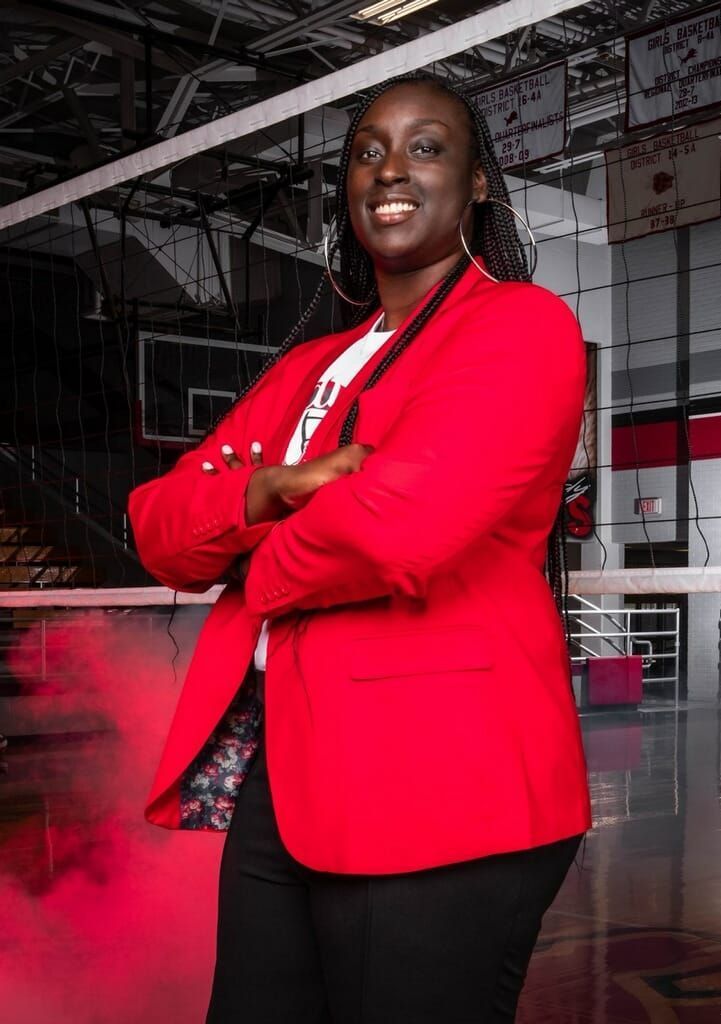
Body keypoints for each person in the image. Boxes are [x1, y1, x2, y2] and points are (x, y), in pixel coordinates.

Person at [128, 71, 591, 1024]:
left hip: (442, 784)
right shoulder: (307, 368)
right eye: (368, 150)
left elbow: (399, 529)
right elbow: (158, 526)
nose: (391, 168)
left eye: (427, 146)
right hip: (287, 777)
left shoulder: (520, 326)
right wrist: (268, 487)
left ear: (478, 186)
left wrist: (246, 557)